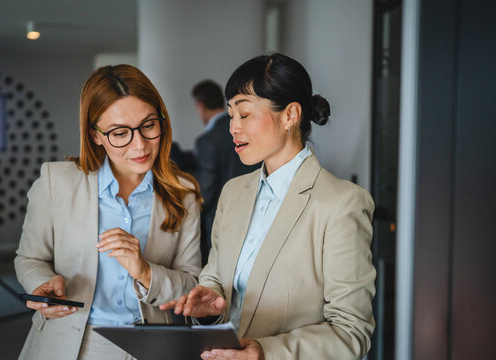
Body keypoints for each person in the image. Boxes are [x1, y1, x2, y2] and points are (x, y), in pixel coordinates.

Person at [161, 54, 376, 359]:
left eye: (245, 115)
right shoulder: (233, 192)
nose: (233, 127)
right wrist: (208, 307)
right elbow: (215, 279)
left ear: (290, 115)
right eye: (230, 115)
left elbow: (351, 332)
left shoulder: (340, 204)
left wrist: (265, 352)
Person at [15, 64, 202, 360]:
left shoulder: (183, 193)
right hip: (73, 343)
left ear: (162, 121)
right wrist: (42, 284)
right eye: (119, 133)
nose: (139, 144)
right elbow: (29, 257)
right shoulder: (55, 182)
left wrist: (145, 271)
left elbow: (191, 283)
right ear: (95, 135)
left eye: (149, 125)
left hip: (154, 344)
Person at [192, 80, 259, 264]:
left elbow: (205, 192)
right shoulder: (249, 131)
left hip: (220, 223)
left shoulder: (208, 140)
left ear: (200, 106)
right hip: (256, 214)